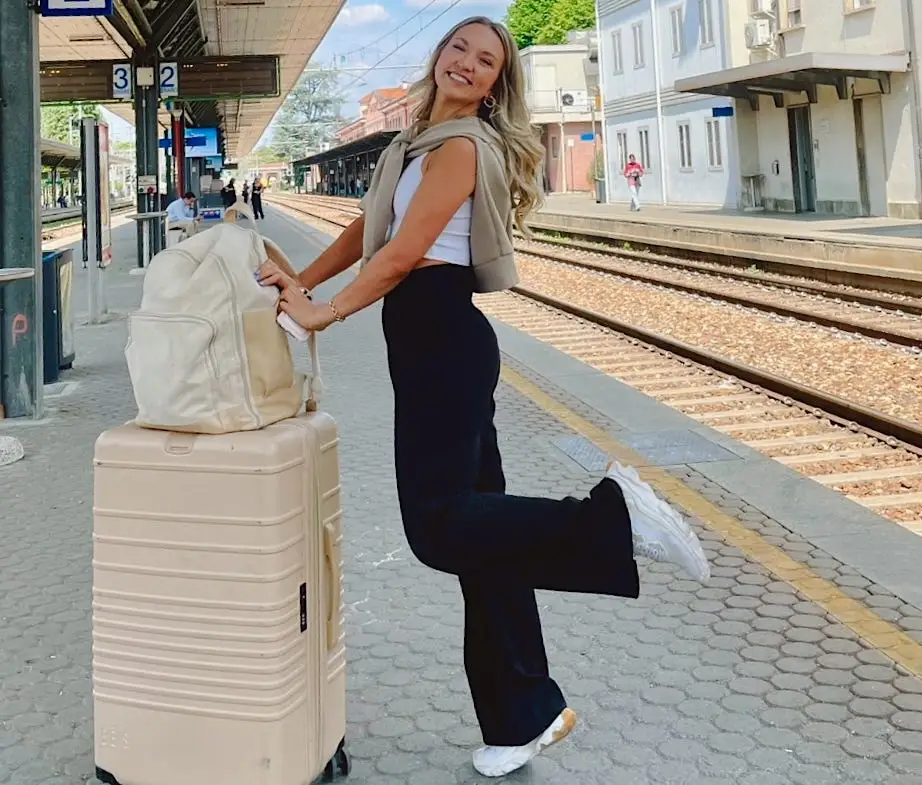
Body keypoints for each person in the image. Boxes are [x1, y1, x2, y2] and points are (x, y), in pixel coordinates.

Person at [259, 16, 710, 779]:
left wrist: (323, 314)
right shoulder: (415, 144)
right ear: (439, 57)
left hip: (442, 339)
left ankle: (614, 517)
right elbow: (369, 233)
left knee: (438, 528)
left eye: (486, 60)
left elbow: (402, 255)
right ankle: (525, 711)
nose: (467, 64)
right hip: (431, 342)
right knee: (484, 540)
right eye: (459, 49)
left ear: (497, 83)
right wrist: (300, 280)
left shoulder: (460, 146)